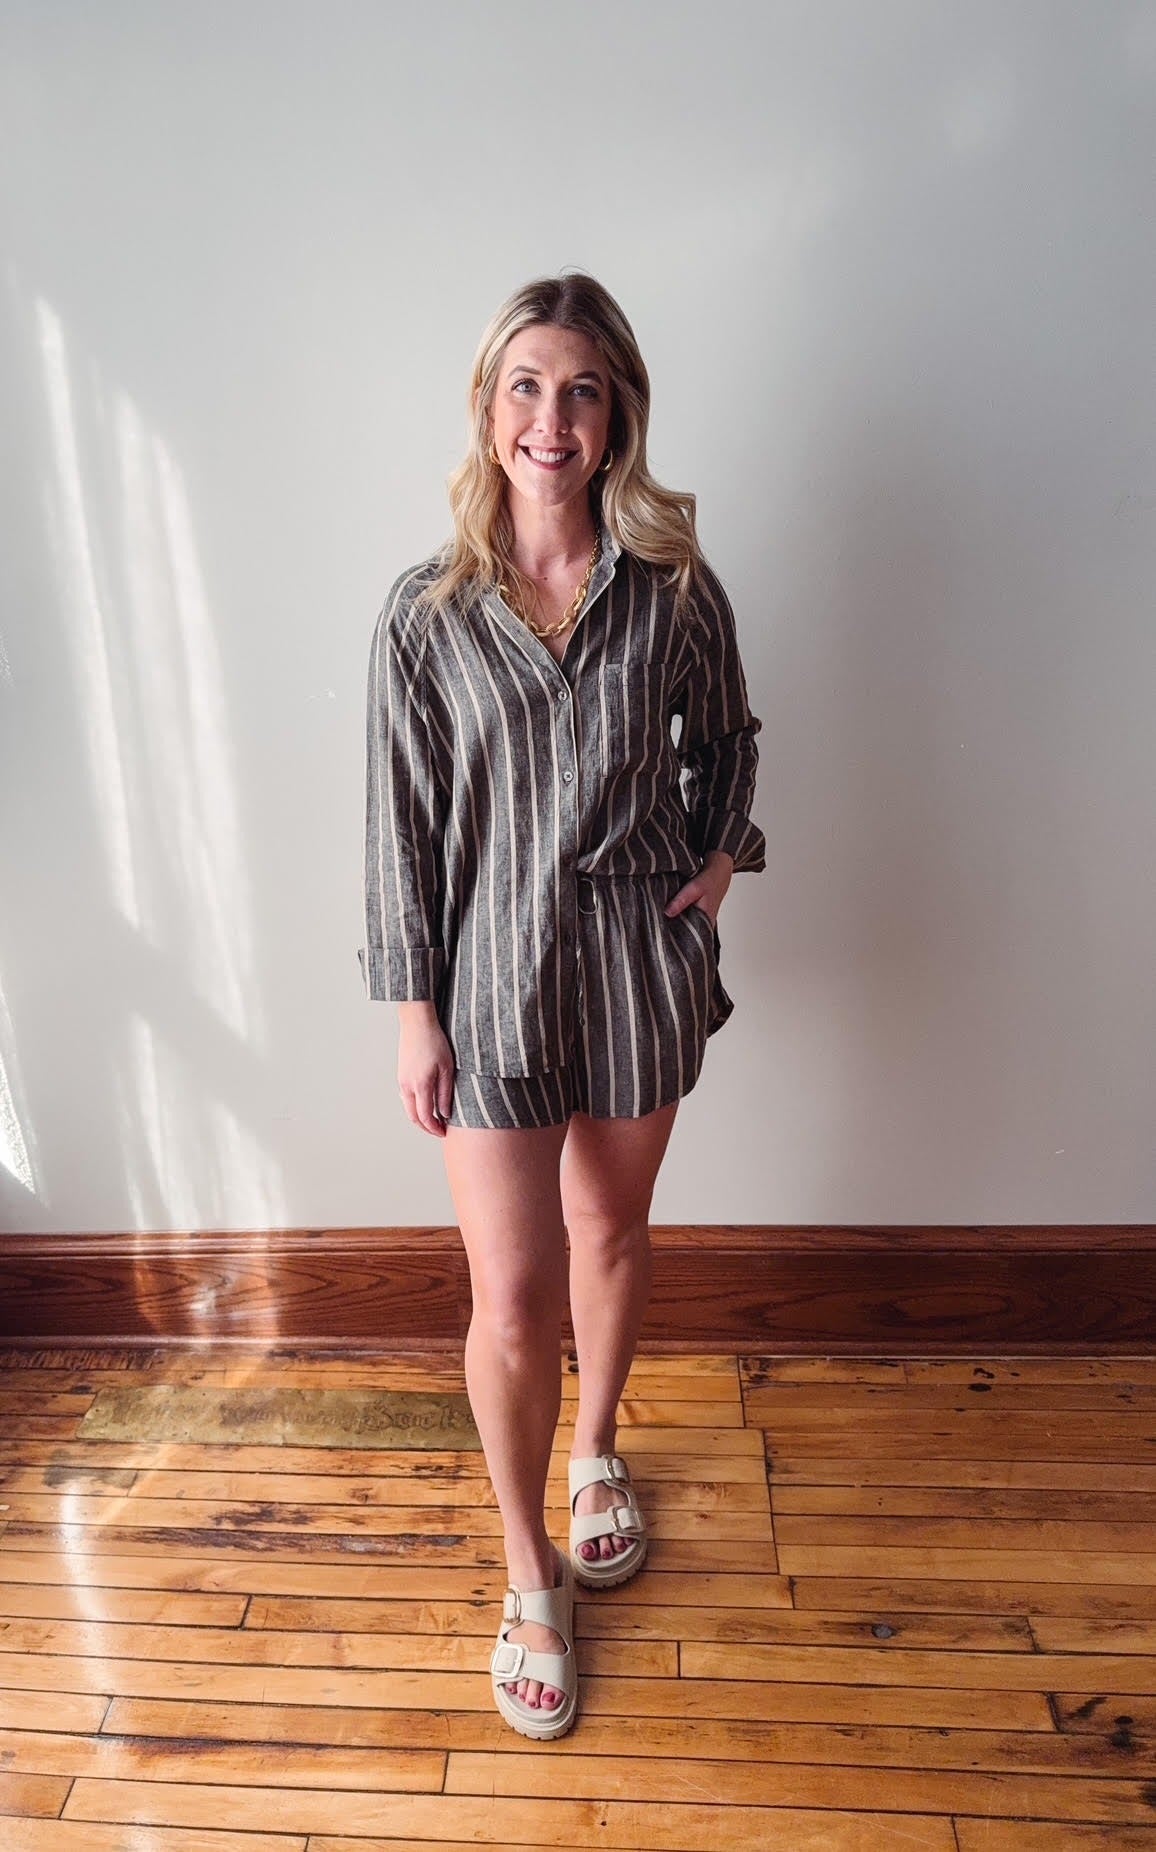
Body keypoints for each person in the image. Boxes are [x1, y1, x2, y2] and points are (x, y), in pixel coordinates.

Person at [359, 271, 766, 1740]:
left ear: (617, 419)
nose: (552, 415)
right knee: (511, 1297)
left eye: (582, 389)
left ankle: (599, 1454)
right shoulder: (425, 616)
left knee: (612, 1232)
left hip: (639, 974)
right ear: (490, 410)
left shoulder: (673, 590)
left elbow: (728, 740)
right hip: (491, 987)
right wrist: (416, 1011)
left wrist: (717, 866)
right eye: (527, 385)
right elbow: (398, 827)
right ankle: (527, 1569)